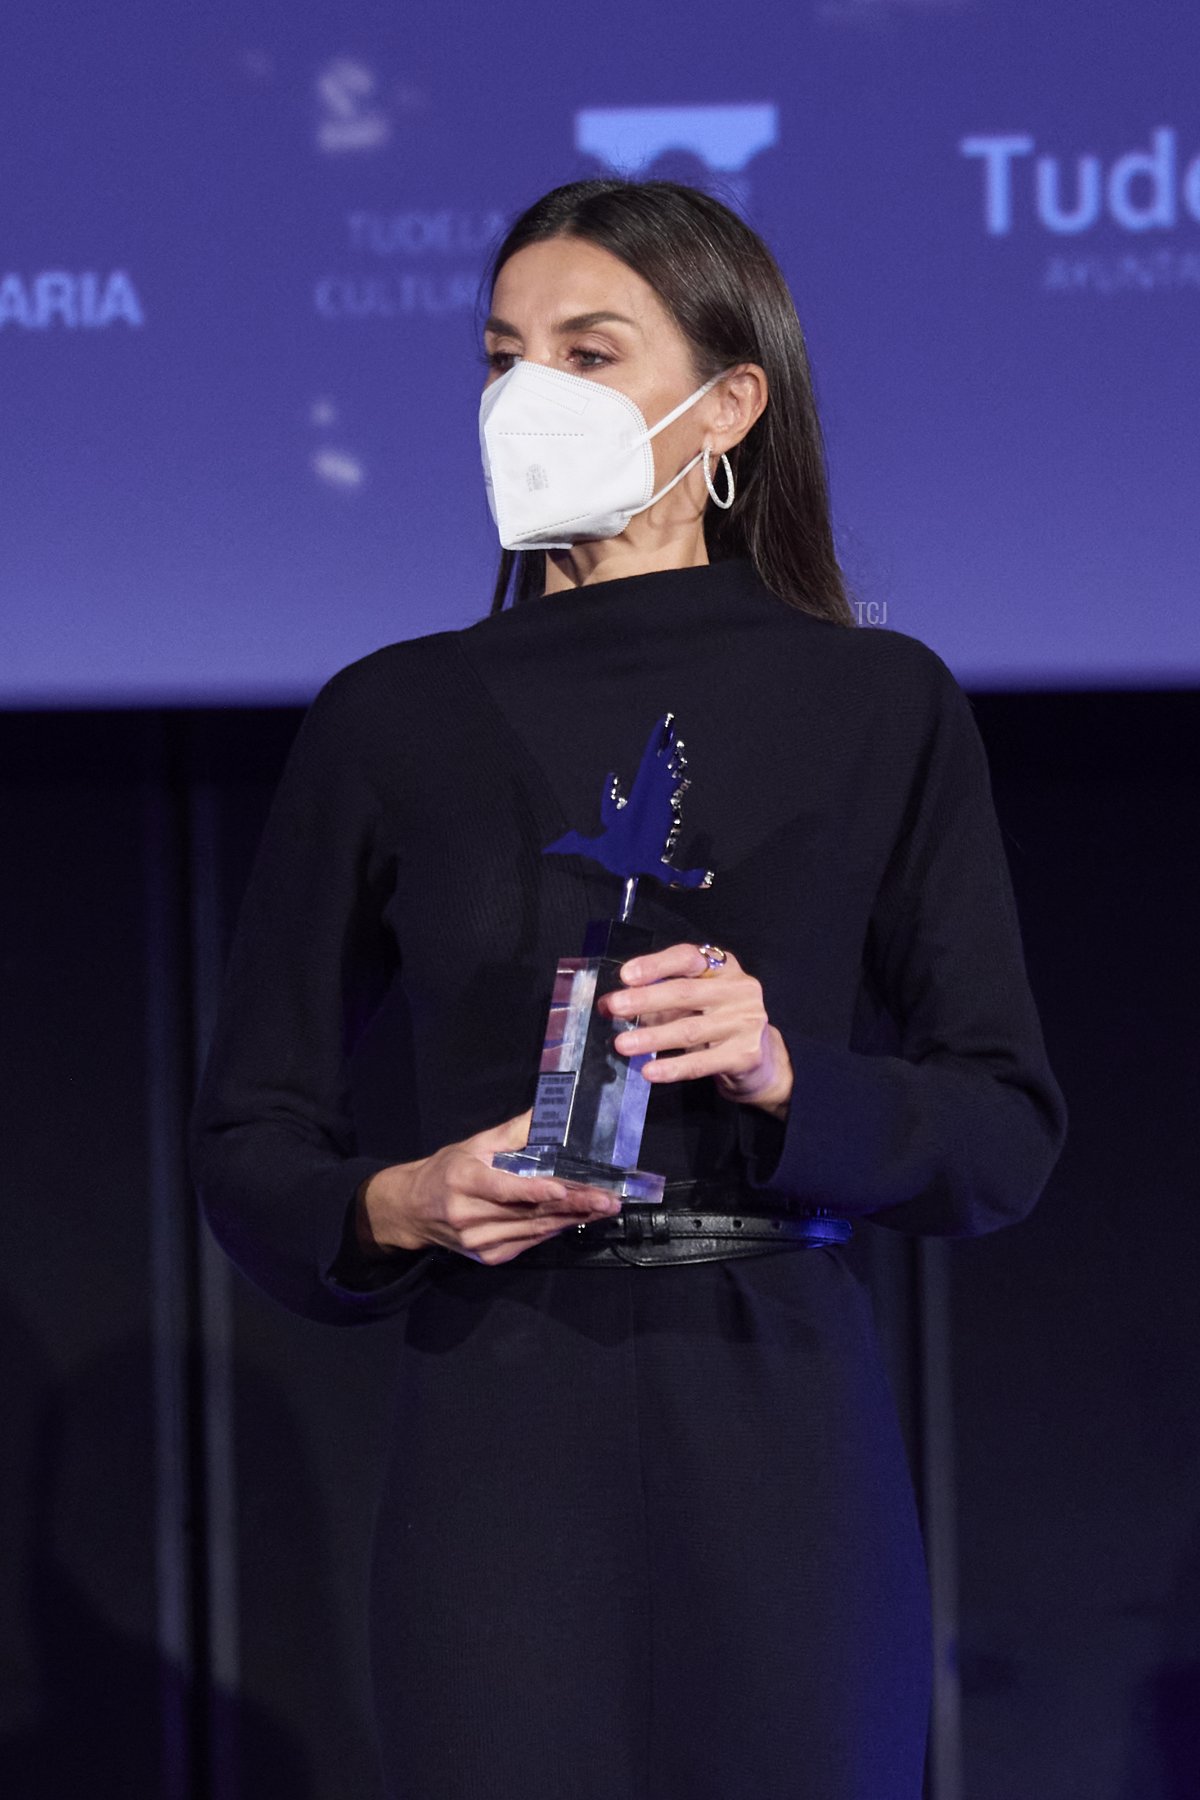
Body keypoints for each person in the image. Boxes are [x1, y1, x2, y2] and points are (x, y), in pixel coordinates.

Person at [189, 178, 1068, 1800]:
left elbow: (1002, 1129)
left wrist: (790, 1075)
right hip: (499, 1419)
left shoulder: (880, 702)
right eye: (503, 354)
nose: (531, 396)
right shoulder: (392, 715)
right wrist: (398, 1202)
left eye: (591, 352)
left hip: (777, 1408)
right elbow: (251, 1133)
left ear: (729, 400)